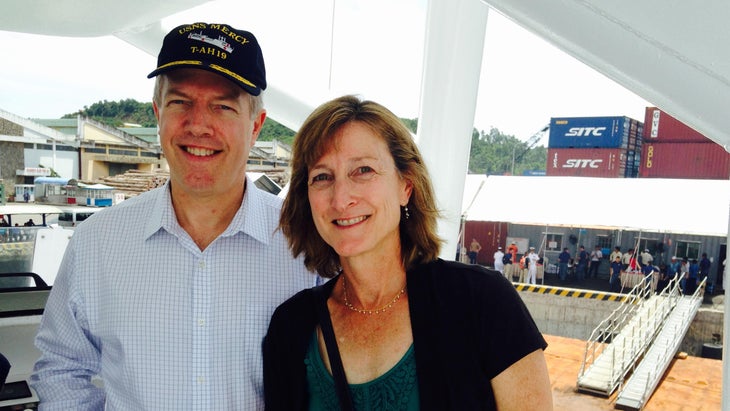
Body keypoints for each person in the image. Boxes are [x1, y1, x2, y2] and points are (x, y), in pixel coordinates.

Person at [31, 23, 316, 410]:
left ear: (255, 125)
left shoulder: (306, 244)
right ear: (157, 114)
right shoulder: (96, 241)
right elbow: (62, 368)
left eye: (223, 106)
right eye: (180, 102)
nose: (198, 125)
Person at [263, 95, 552, 410]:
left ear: (406, 186)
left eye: (363, 170)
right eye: (322, 177)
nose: (341, 198)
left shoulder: (481, 302)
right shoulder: (291, 328)